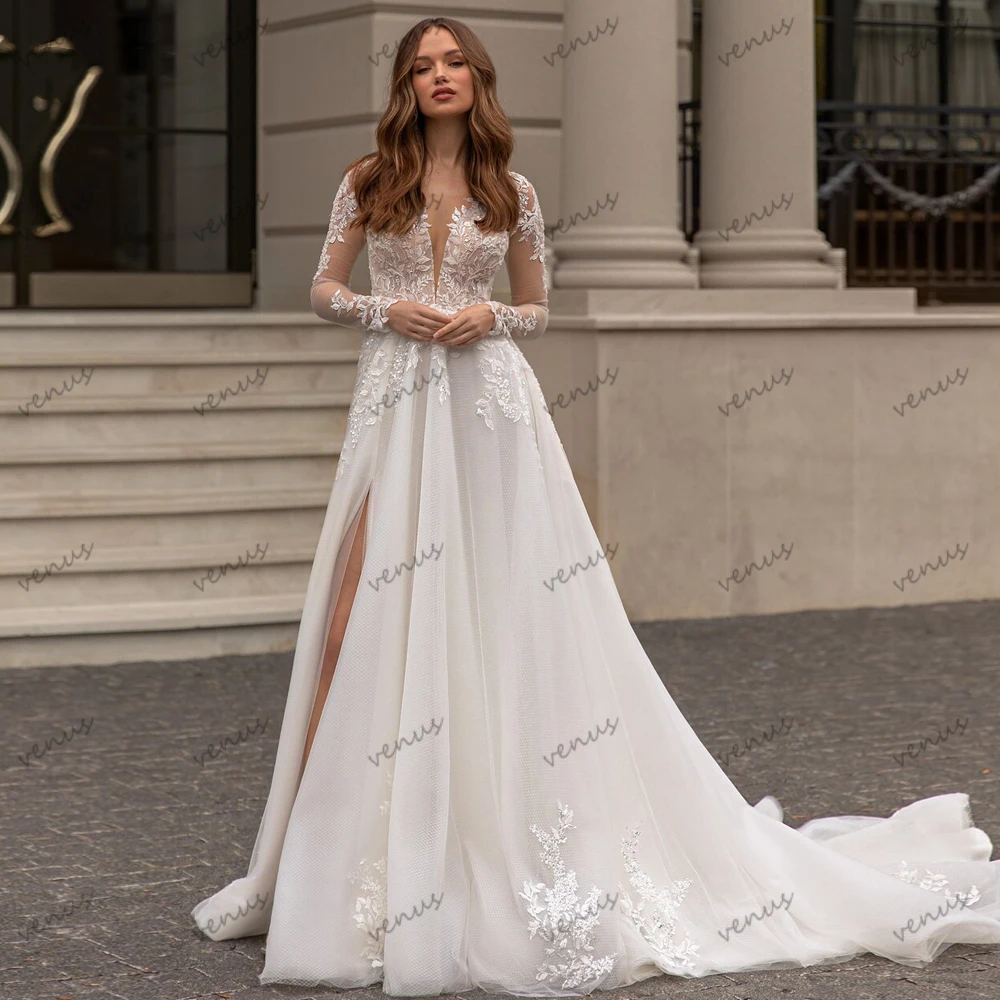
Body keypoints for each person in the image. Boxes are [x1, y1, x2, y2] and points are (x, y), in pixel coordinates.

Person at [192, 15, 1000, 996]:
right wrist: (379, 308)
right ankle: (327, 866)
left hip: (490, 412)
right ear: (403, 86)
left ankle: (479, 842)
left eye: (452, 62)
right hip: (398, 403)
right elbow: (322, 288)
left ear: (475, 79)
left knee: (501, 621)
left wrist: (493, 315)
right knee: (355, 623)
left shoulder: (513, 192)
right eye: (420, 66)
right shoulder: (369, 180)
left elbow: (537, 308)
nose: (437, 76)